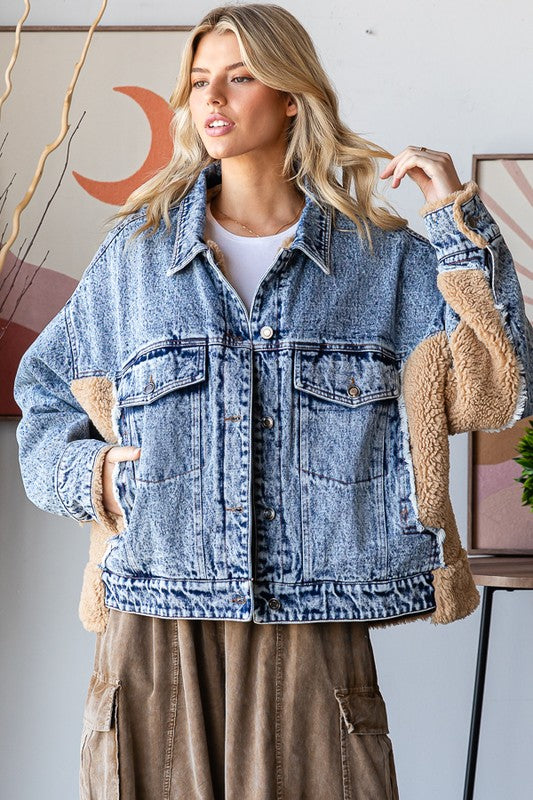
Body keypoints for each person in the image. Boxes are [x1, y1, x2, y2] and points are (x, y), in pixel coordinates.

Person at [13, 4, 533, 799]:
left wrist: (454, 222)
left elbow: (501, 389)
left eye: (239, 76)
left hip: (314, 612)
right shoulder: (136, 257)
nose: (213, 98)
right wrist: (96, 477)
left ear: (291, 96)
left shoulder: (382, 261)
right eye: (199, 82)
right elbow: (46, 397)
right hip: (154, 611)